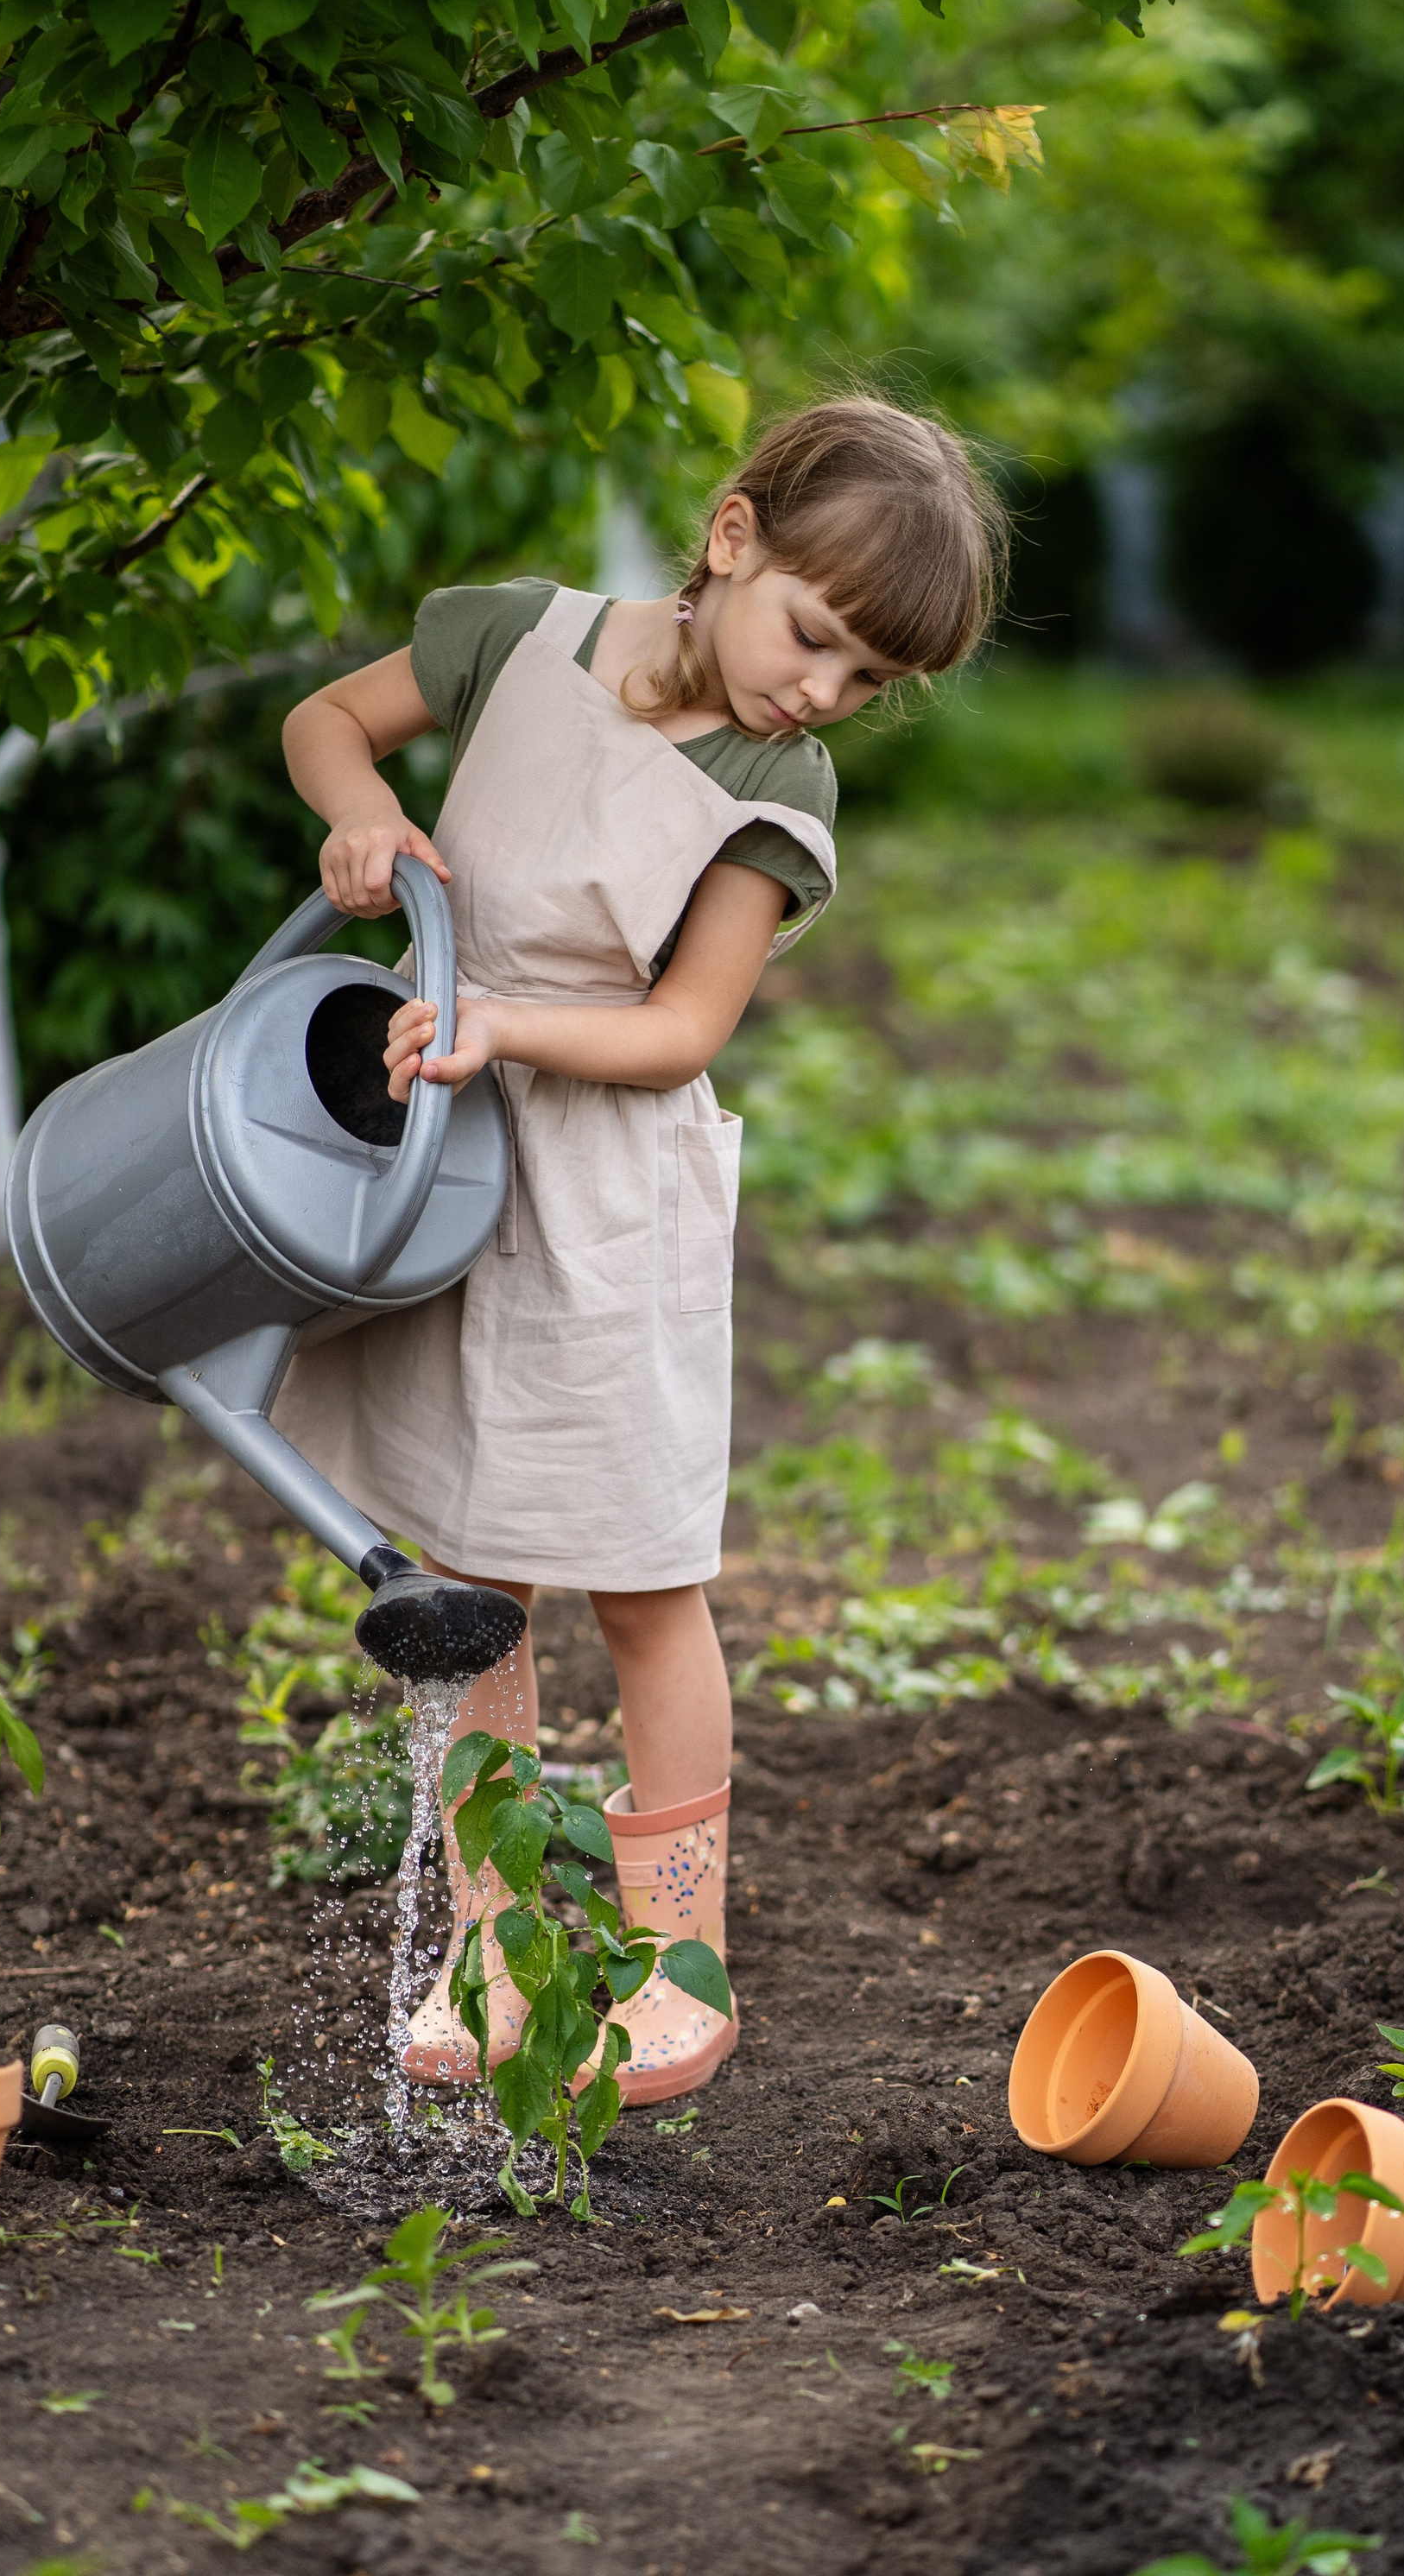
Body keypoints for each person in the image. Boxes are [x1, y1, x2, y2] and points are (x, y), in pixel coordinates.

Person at [275, 396, 1004, 2102]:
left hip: (605, 1197)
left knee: (645, 1576)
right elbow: (328, 719)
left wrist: (497, 1015)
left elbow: (680, 1028)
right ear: (730, 536)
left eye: (864, 682)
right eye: (813, 637)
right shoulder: (515, 638)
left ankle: (682, 1973)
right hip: (448, 1160)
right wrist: (364, 818)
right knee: (470, 1574)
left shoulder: (770, 778)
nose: (820, 690)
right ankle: (493, 1948)